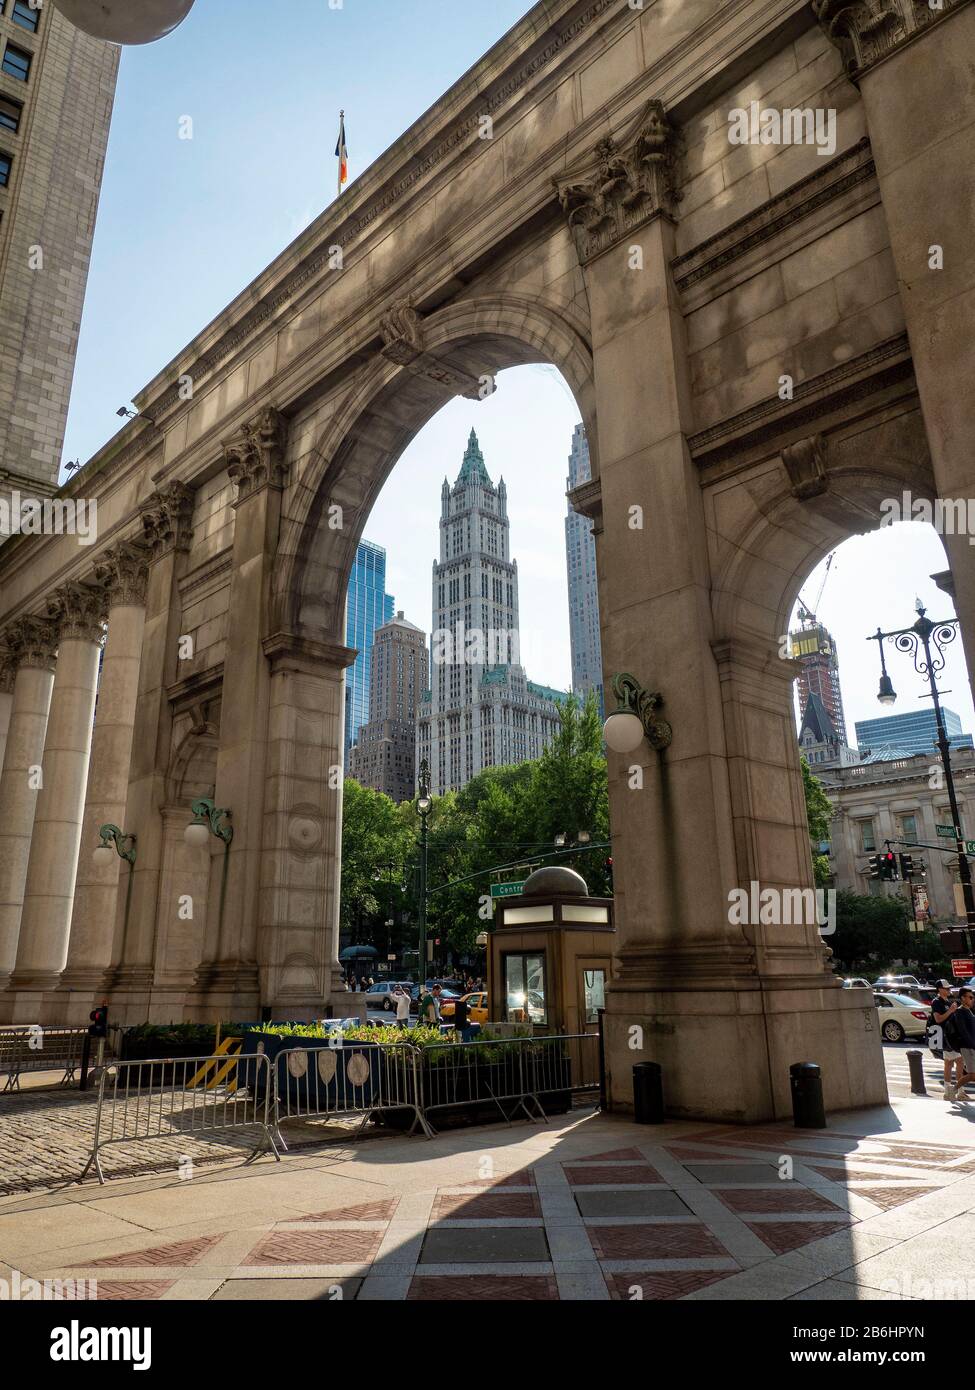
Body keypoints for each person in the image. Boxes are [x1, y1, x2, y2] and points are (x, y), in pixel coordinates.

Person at [930, 980, 963, 1099]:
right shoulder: (936, 1002)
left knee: (955, 1063)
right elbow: (938, 1019)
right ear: (940, 989)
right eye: (946, 988)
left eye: (949, 988)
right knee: (953, 1063)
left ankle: (954, 1092)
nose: (949, 990)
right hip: (946, 1037)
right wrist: (951, 1010)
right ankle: (954, 1092)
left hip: (952, 1037)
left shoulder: (947, 1002)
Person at [950, 988, 975, 1100]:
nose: (972, 999)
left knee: (972, 1074)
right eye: (970, 997)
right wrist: (973, 1045)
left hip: (972, 1046)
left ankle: (953, 1090)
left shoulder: (969, 1011)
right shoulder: (960, 1012)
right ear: (962, 998)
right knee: (972, 1075)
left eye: (972, 997)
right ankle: (952, 1090)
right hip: (967, 1047)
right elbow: (963, 1031)